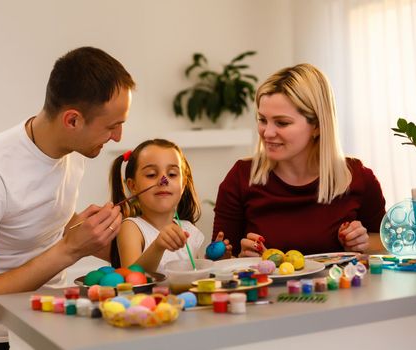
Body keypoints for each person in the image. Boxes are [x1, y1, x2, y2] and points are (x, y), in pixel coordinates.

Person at [0, 47, 135, 349]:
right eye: (112, 126)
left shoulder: (74, 152)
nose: (118, 137)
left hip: (50, 325)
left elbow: (42, 223)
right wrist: (71, 250)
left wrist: (105, 235)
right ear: (72, 120)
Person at [213, 63, 386, 257]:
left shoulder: (358, 177)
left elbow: (386, 243)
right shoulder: (241, 177)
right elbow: (217, 259)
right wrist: (239, 260)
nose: (267, 132)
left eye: (282, 123)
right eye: (262, 120)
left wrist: (361, 243)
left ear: (318, 126)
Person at [109, 139, 231, 273]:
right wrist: (158, 246)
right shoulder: (131, 227)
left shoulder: (188, 229)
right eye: (151, 174)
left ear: (183, 184)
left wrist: (212, 261)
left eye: (172, 174)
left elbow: (192, 274)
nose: (163, 181)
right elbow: (132, 278)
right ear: (132, 186)